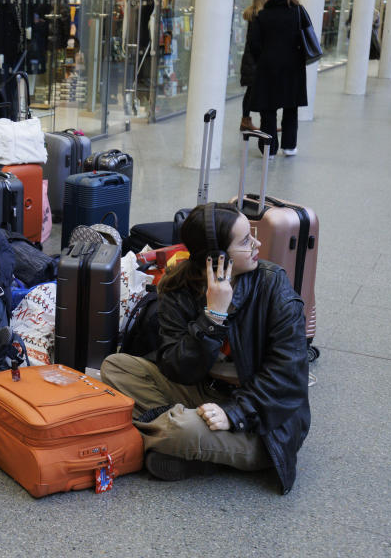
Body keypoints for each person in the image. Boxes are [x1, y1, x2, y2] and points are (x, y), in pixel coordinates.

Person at [101, 203, 310, 495]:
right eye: (245, 241)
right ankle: (192, 444)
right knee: (115, 367)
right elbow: (177, 368)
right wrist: (213, 317)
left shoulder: (273, 286)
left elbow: (288, 378)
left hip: (262, 420)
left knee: (181, 429)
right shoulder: (179, 285)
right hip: (203, 391)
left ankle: (182, 440)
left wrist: (235, 413)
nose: (257, 244)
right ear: (217, 258)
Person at [248, 0, 310, 156]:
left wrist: (263, 57)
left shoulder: (263, 15)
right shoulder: (298, 12)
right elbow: (308, 36)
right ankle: (289, 146)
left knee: (268, 108)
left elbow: (253, 43)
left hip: (268, 66)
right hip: (293, 66)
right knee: (291, 107)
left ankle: (269, 148)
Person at [239, 0, 271, 132]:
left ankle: (246, 120)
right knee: (253, 92)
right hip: (254, 61)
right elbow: (256, 43)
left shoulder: (256, 15)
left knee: (251, 92)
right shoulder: (259, 16)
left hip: (252, 60)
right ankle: (248, 121)